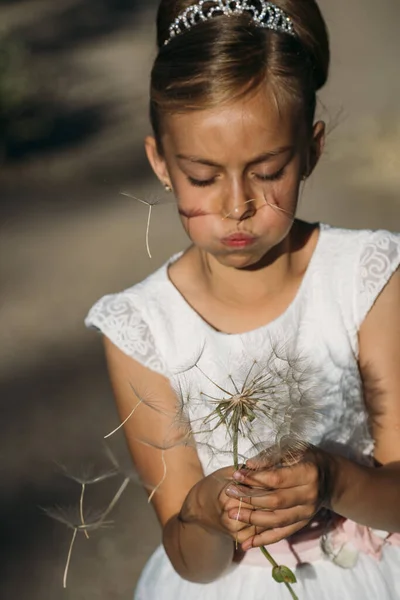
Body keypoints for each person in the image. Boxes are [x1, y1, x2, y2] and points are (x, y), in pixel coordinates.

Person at [85, 1, 400, 598]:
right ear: (161, 163)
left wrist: (334, 481)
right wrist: (204, 513)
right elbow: (192, 563)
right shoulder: (143, 328)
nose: (237, 205)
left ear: (310, 150)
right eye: (203, 177)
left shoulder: (368, 278)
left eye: (268, 170)